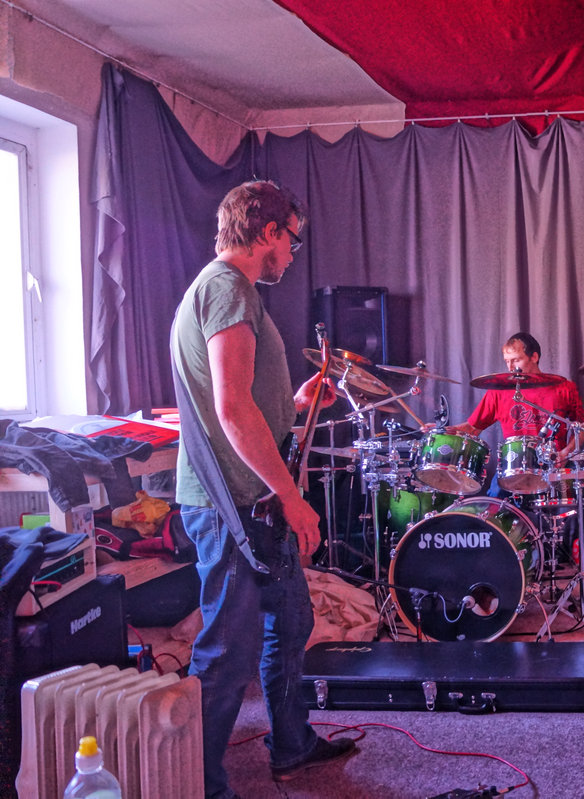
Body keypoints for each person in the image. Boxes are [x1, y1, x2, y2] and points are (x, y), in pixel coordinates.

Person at [171, 180, 355, 798]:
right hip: (232, 503)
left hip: (254, 499)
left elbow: (241, 400)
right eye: (291, 240)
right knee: (229, 649)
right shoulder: (228, 288)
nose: (293, 255)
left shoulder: (230, 290)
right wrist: (293, 497)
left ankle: (292, 743)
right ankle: (197, 785)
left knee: (293, 619)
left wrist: (294, 401)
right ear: (268, 231)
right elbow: (230, 409)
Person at [447, 332, 584, 570]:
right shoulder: (499, 390)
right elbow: (473, 427)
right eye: (507, 361)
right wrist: (448, 430)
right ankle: (496, 567)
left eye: (516, 360)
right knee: (492, 502)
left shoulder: (563, 387)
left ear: (534, 357)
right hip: (515, 467)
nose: (510, 367)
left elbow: (581, 428)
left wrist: (566, 451)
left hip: (556, 466)